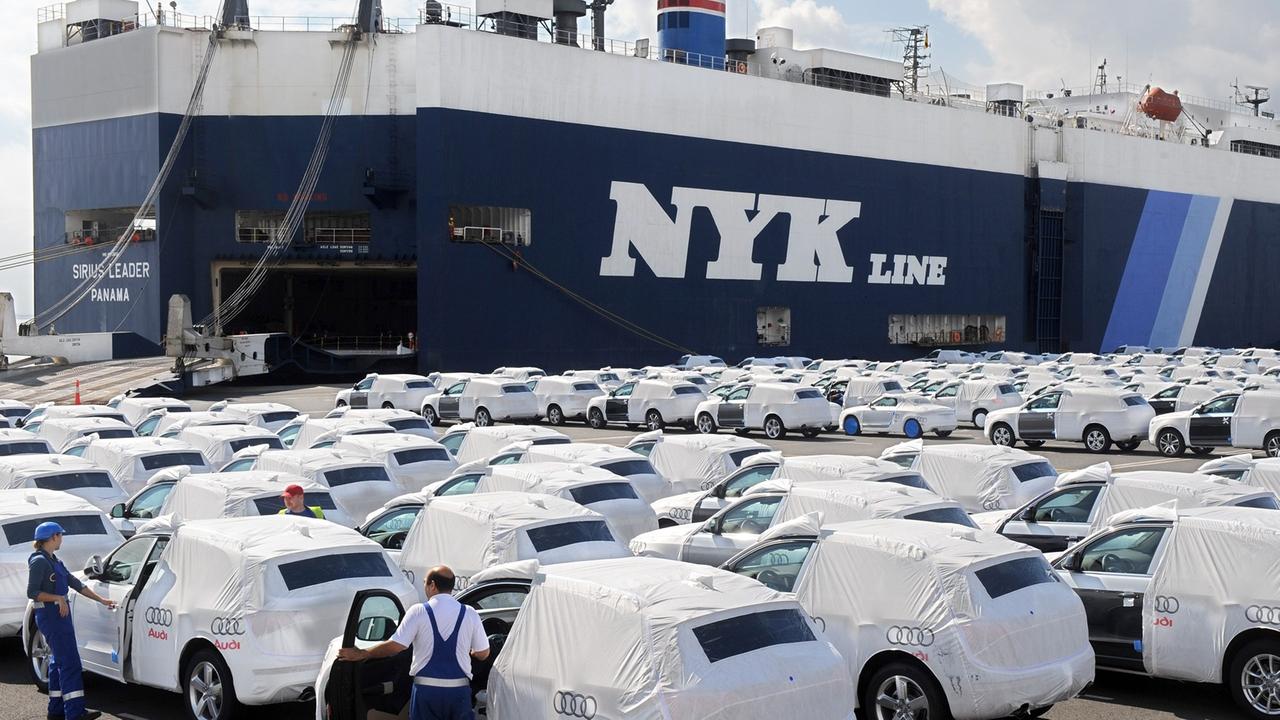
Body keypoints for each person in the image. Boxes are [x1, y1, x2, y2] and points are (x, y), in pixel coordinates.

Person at [338, 566, 489, 720]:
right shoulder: (470, 613)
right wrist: (473, 653)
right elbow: (483, 653)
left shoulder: (418, 611)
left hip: (426, 691)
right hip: (459, 692)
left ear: (432, 585)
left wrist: (363, 653)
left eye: (425, 583)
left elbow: (396, 646)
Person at [27, 522, 116, 720]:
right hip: (51, 618)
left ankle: (56, 709)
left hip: (59, 618)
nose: (62, 539)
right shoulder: (40, 561)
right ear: (53, 537)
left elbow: (75, 583)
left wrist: (101, 600)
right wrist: (57, 598)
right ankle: (74, 713)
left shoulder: (54, 560)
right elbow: (32, 592)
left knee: (59, 661)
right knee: (70, 663)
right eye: (61, 535)